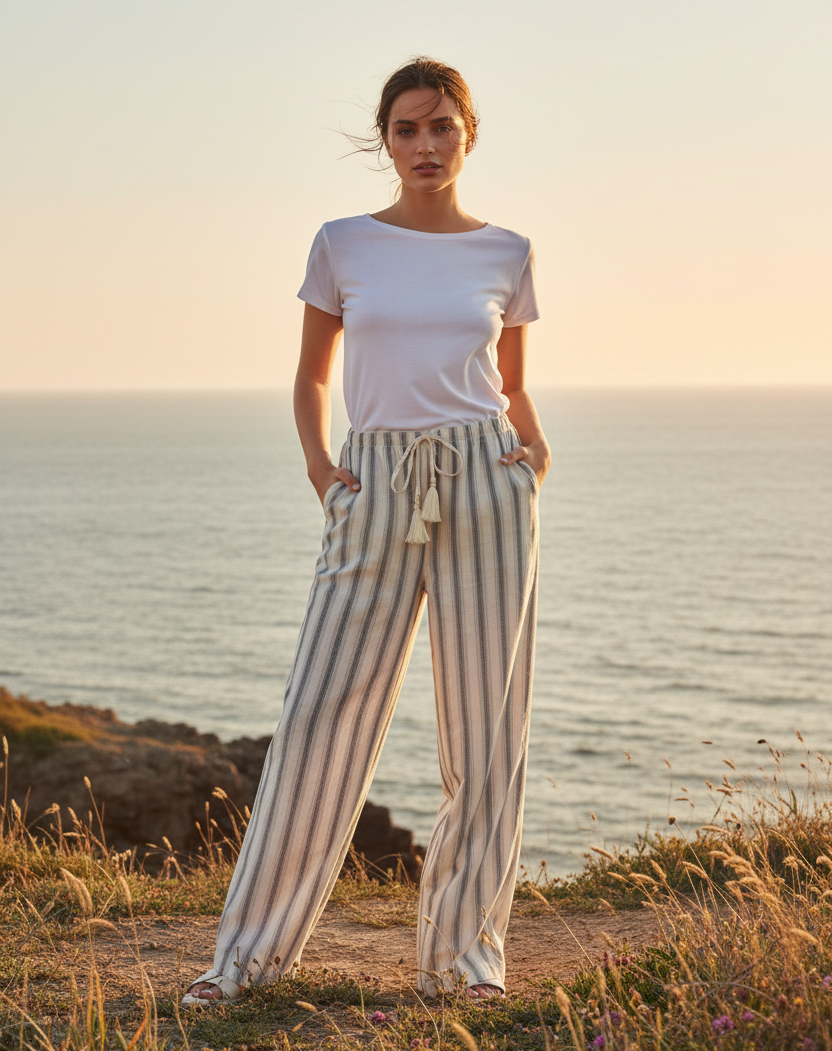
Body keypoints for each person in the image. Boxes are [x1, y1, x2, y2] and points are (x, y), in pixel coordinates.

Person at [183, 55, 550, 1006]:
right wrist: (322, 469)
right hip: (374, 478)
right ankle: (245, 964)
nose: (425, 146)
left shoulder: (507, 251)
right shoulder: (343, 243)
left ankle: (463, 966)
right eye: (406, 130)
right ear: (385, 139)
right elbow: (311, 373)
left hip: (484, 484)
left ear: (470, 133)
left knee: (486, 734)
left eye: (442, 128)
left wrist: (531, 455)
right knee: (318, 717)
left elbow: (511, 383)